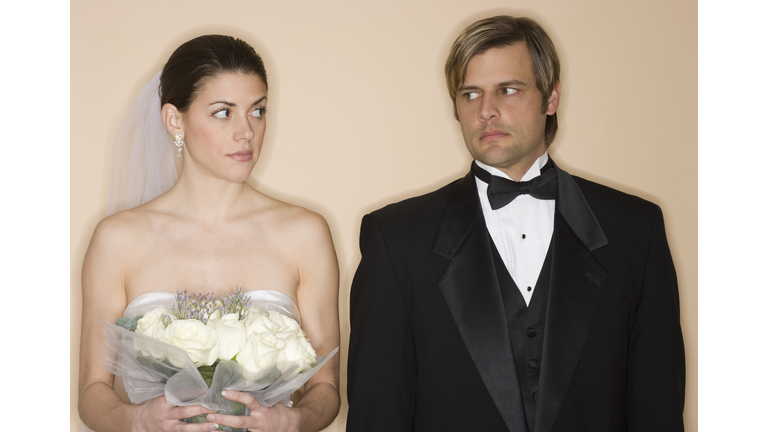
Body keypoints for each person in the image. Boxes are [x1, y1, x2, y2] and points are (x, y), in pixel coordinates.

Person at [347, 15, 685, 432]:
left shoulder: (637, 231)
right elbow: (376, 418)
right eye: (470, 94)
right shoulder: (396, 239)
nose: (486, 110)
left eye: (508, 90)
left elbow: (659, 410)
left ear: (551, 97)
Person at [78, 35, 340, 432]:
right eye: (223, 113)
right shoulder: (118, 239)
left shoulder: (304, 233)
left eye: (258, 111)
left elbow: (327, 387)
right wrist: (138, 420)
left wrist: (293, 420)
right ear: (174, 120)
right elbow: (92, 392)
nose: (246, 132)